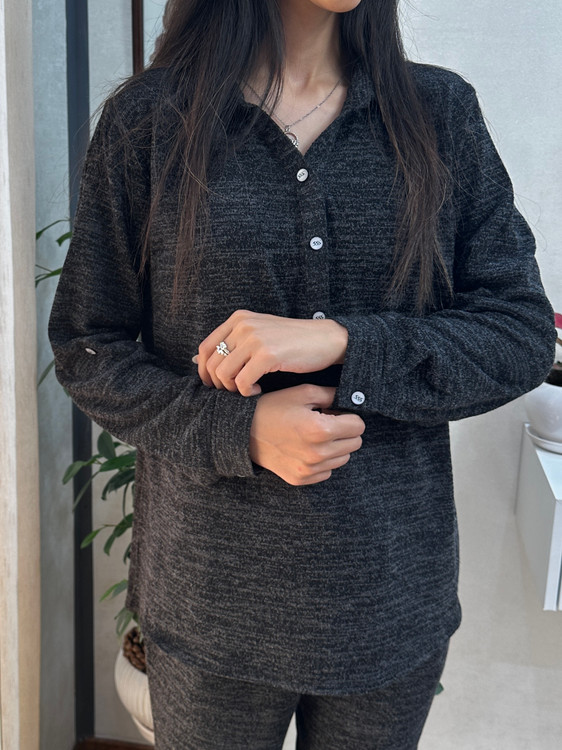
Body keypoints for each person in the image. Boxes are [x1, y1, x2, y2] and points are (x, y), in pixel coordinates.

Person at [48, 0, 557, 747]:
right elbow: (87, 345)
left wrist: (342, 342)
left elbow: (520, 333)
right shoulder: (150, 120)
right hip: (209, 610)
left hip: (388, 600)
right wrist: (240, 430)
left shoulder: (438, 113)